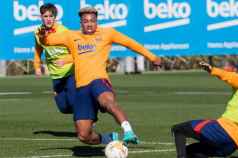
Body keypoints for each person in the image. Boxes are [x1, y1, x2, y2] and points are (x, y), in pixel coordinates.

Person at [39, 7, 161, 145]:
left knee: (107, 102)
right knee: (84, 136)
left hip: (99, 81)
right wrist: (43, 34)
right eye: (85, 21)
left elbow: (130, 43)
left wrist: (152, 57)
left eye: (92, 20)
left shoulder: (108, 33)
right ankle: (109, 138)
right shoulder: (70, 36)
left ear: (97, 21)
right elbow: (47, 41)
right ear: (81, 23)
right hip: (81, 89)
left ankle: (128, 131)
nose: (89, 23)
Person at [171, 54, 238, 158]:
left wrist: (212, 69)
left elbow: (230, 77)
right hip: (233, 144)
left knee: (179, 129)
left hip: (223, 131)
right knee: (191, 152)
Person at [33, 3, 75, 114]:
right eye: (45, 16)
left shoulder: (64, 32)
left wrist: (66, 60)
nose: (48, 19)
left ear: (55, 17)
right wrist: (37, 67)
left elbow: (77, 53)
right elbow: (38, 51)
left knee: (73, 102)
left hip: (71, 73)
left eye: (51, 16)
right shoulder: (38, 32)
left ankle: (89, 117)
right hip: (56, 76)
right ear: (41, 17)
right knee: (64, 109)